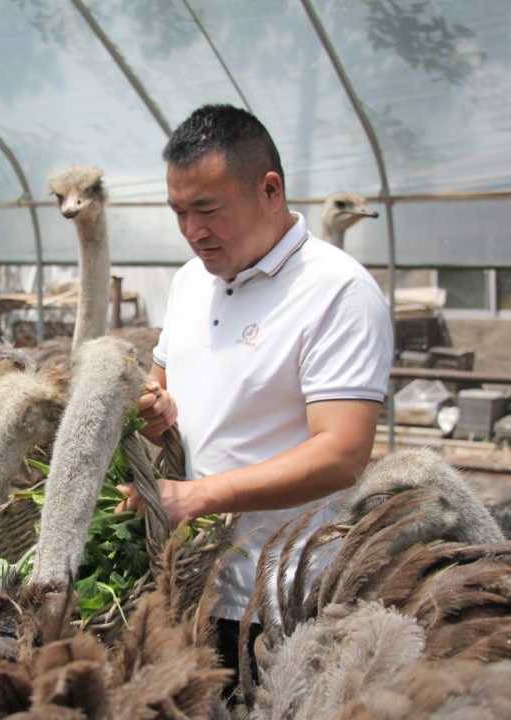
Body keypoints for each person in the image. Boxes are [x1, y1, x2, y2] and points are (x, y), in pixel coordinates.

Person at [119, 104, 392, 690]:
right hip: (188, 582)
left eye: (207, 209)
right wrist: (154, 413)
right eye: (178, 212)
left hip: (279, 601)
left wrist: (195, 497)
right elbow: (160, 391)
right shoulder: (191, 281)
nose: (192, 230)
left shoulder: (337, 291)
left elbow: (342, 453)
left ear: (269, 190)